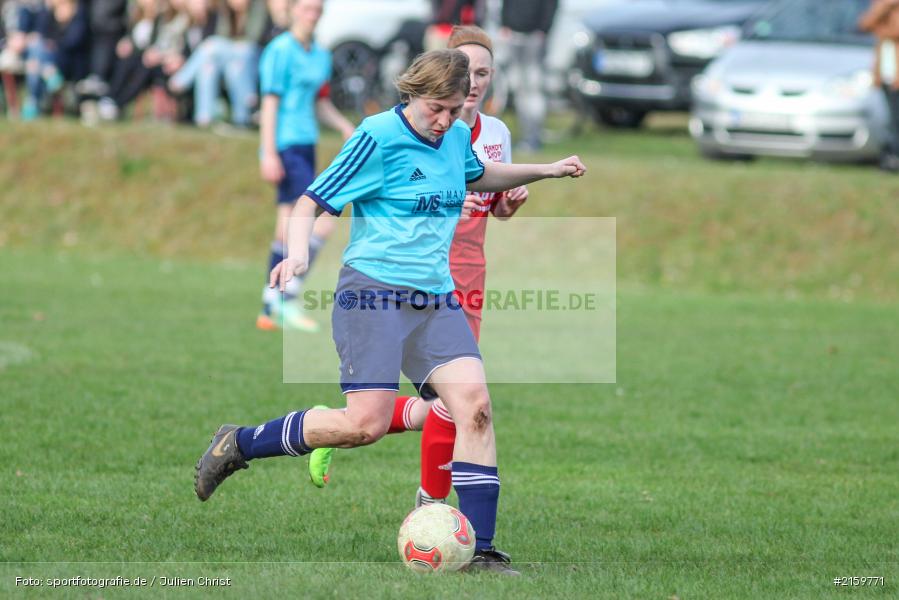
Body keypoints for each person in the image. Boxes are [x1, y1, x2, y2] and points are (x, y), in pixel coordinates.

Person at [193, 48, 585, 575]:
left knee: (475, 407)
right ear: (413, 93)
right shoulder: (378, 136)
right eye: (436, 109)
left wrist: (546, 170)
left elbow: (478, 173)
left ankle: (481, 551)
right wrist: (300, 254)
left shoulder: (452, 139)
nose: (446, 120)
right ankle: (239, 442)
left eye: (453, 109)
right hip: (373, 294)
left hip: (435, 299)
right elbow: (311, 201)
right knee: (364, 425)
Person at [306, 26, 529, 510]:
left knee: (464, 404)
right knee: (428, 407)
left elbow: (493, 203)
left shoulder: (494, 134)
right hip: (393, 281)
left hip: (462, 275)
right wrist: (296, 254)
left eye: (484, 73)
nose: (475, 83)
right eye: (466, 71)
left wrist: (520, 193)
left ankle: (445, 518)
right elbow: (321, 198)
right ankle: (427, 502)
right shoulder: (394, 133)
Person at [254, 0, 354, 332]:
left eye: (318, 8)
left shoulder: (321, 55)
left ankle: (272, 304)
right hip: (285, 144)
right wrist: (267, 152)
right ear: (293, 10)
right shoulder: (279, 50)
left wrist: (343, 126)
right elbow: (270, 103)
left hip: (306, 144)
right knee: (318, 222)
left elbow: (320, 102)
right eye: (308, 7)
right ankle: (286, 299)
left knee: (287, 224)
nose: (313, 13)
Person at [499, 0, 557, 152]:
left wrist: (544, 29)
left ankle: (533, 137)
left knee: (533, 90)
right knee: (519, 90)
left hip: (534, 37)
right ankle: (525, 136)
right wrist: (505, 23)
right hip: (514, 34)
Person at [860, 0, 899, 172]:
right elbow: (865, 24)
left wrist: (881, 30)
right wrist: (883, 7)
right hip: (885, 75)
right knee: (890, 120)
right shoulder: (884, 7)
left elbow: (895, 32)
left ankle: (894, 157)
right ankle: (892, 157)